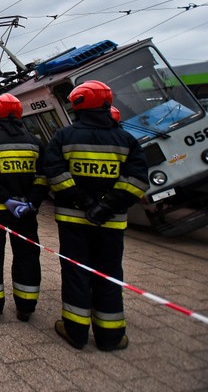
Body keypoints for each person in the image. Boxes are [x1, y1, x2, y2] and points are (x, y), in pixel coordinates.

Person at [44, 80, 149, 351]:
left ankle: (75, 331)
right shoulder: (127, 140)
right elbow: (137, 181)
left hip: (72, 221)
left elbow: (55, 174)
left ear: (78, 105)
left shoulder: (64, 137)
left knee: (76, 273)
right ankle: (110, 336)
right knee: (109, 274)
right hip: (111, 223)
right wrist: (105, 207)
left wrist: (84, 202)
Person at [0, 94, 48, 322]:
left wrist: (5, 199)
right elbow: (43, 177)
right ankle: (26, 306)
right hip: (25, 212)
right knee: (27, 254)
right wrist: (31, 202)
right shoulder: (34, 142)